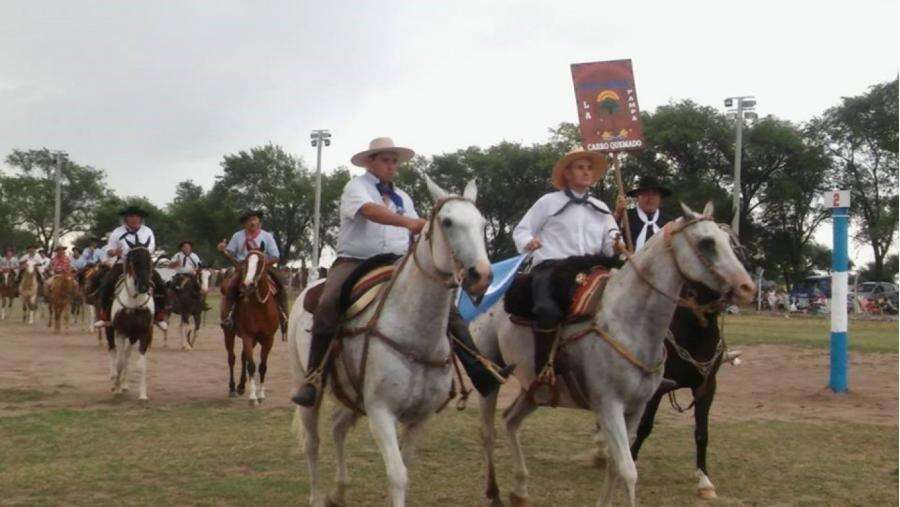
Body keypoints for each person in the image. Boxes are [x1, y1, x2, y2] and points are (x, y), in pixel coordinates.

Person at [291, 137, 513, 407]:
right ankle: (314, 377)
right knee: (328, 303)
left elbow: (418, 238)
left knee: (446, 310)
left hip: (396, 262)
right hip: (355, 261)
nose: (392, 166)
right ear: (370, 162)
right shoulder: (356, 187)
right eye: (386, 160)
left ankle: (479, 369)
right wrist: (410, 222)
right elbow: (371, 212)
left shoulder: (403, 197)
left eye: (394, 161)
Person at [512, 146, 625, 379]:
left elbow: (610, 243)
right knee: (546, 310)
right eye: (580, 168)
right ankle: (543, 371)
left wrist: (617, 244)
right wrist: (528, 241)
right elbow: (521, 230)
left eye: (589, 168)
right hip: (552, 268)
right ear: (567, 173)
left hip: (593, 269)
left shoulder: (602, 208)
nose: (586, 172)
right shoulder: (547, 202)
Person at [92, 206, 168, 329]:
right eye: (130, 216)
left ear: (140, 219)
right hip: (123, 263)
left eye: (136, 216)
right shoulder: (117, 232)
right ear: (125, 218)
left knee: (160, 283)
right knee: (107, 283)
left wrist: (139, 254)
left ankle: (159, 315)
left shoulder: (147, 231)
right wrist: (114, 252)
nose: (134, 219)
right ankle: (105, 315)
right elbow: (109, 250)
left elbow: (151, 248)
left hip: (142, 264)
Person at [217, 211, 288, 334]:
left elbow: (275, 256)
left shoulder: (267, 236)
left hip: (263, 267)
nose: (252, 222)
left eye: (255, 219)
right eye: (249, 220)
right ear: (244, 224)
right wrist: (223, 249)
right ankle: (228, 317)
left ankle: (284, 317)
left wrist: (262, 265)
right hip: (242, 268)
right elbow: (230, 253)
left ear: (259, 222)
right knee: (231, 287)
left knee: (280, 286)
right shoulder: (237, 236)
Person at [614, 175, 674, 251]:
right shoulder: (625, 216)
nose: (650, 198)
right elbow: (610, 235)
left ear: (660, 197)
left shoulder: (668, 222)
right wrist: (617, 214)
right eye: (645, 193)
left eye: (654, 194)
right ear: (637, 196)